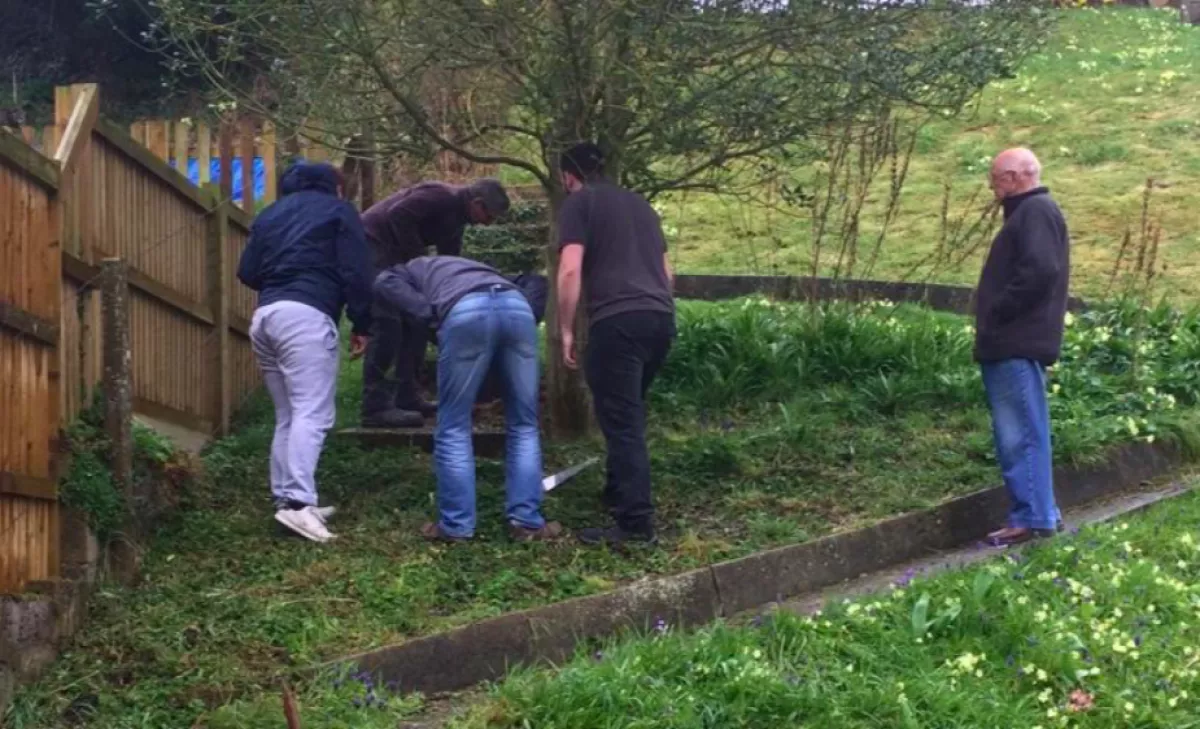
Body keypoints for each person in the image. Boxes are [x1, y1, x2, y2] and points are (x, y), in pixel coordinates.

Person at [374, 256, 560, 542]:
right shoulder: (481, 270)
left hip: (465, 311)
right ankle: (527, 523)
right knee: (524, 424)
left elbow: (385, 282)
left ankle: (456, 526)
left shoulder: (406, 270)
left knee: (453, 425)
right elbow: (536, 280)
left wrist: (431, 317)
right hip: (517, 308)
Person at [237, 161, 373, 543]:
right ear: (335, 187)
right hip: (307, 316)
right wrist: (363, 323)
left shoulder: (270, 215)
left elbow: (247, 271)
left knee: (287, 415)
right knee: (312, 413)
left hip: (266, 316)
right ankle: (299, 504)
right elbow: (357, 270)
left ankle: (286, 499)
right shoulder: (338, 211)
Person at [555, 142, 676, 547]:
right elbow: (666, 272)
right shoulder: (642, 206)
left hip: (617, 321)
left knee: (624, 424)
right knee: (626, 412)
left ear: (568, 176)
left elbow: (570, 269)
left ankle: (636, 525)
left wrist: (567, 328)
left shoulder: (578, 203)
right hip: (659, 318)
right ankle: (616, 492)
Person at [359, 179, 511, 428]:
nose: (488, 223)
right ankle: (374, 407)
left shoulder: (457, 222)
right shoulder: (441, 197)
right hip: (373, 244)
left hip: (398, 257)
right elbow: (398, 215)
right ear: (476, 203)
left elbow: (449, 262)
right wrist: (419, 263)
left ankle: (406, 396)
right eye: (489, 215)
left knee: (418, 318)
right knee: (389, 320)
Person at [975, 148, 1070, 547]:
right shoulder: (1035, 213)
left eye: (995, 179)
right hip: (1016, 340)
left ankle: (1032, 517)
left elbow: (1040, 270)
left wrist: (997, 312)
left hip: (1014, 341)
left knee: (1019, 432)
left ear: (1014, 177)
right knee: (1026, 427)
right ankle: (1041, 512)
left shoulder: (1034, 212)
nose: (992, 187)